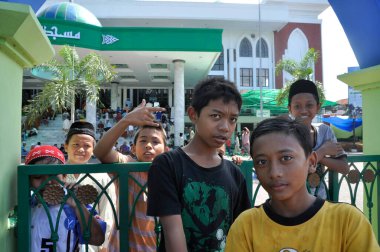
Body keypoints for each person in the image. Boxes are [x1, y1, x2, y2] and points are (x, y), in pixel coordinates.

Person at [225, 117, 379, 252]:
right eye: (262, 162)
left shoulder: (347, 222)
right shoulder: (246, 227)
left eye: (286, 158)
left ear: (311, 161)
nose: (274, 172)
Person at [147, 77, 251, 251]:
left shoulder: (235, 174)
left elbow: (240, 235)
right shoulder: (167, 165)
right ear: (193, 114)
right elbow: (174, 237)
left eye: (233, 119)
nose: (225, 127)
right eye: (216, 116)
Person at [93, 99, 167, 252]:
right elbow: (100, 152)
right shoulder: (128, 166)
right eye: (143, 141)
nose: (148, 145)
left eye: (155, 141)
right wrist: (126, 121)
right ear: (133, 148)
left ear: (166, 149)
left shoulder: (170, 176)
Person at [25, 145, 106, 251]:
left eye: (53, 175)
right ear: (29, 181)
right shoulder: (27, 204)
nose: (47, 182)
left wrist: (78, 206)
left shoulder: (73, 204)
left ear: (64, 176)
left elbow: (97, 239)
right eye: (38, 177)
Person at [287, 79, 349, 198]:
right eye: (297, 106)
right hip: (292, 201)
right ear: (290, 108)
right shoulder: (285, 134)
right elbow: (293, 170)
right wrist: (323, 151)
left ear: (318, 107)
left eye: (309, 105)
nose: (303, 110)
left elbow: (344, 167)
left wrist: (316, 158)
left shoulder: (325, 132)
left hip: (320, 200)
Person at [65, 121, 116, 252]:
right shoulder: (56, 176)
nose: (81, 149)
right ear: (66, 146)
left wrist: (103, 247)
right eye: (76, 144)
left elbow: (107, 215)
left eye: (87, 146)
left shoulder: (102, 178)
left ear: (93, 149)